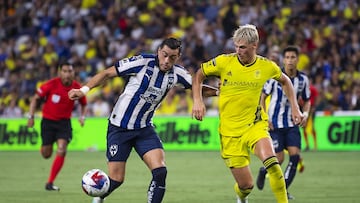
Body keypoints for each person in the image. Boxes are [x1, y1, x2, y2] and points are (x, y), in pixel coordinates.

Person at [68, 37, 217, 203]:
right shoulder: (142, 62)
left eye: (172, 57)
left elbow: (197, 87)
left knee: (160, 172)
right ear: (159, 51)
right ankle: (99, 197)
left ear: (178, 57)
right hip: (119, 128)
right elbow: (107, 73)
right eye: (164, 55)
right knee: (116, 180)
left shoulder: (177, 74)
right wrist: (83, 90)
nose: (167, 61)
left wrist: (219, 92)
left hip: (144, 129)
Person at [192, 24, 304, 203]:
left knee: (273, 164)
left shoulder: (266, 66)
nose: (238, 50)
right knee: (246, 186)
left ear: (254, 45)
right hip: (230, 132)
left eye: (242, 47)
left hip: (255, 125)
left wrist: (295, 108)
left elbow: (286, 82)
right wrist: (198, 101)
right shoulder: (223, 62)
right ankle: (241, 197)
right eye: (236, 46)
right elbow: (199, 75)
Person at [255, 46, 311, 200]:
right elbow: (262, 97)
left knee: (295, 157)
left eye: (293, 57)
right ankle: (263, 171)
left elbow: (307, 101)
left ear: (297, 59)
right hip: (275, 124)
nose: (290, 60)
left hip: (292, 124)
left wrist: (305, 113)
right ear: (283, 59)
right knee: (278, 159)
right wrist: (265, 117)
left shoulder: (303, 80)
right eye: (287, 57)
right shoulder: (275, 76)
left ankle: (283, 189)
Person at [27, 62, 87, 191]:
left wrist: (82, 117)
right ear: (60, 72)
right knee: (46, 154)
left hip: (64, 123)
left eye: (70, 71)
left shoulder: (77, 87)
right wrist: (31, 117)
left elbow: (84, 103)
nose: (67, 74)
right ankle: (45, 147)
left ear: (73, 73)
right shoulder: (51, 84)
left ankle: (50, 182)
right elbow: (35, 99)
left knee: (62, 148)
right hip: (48, 122)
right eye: (64, 71)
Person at [302, 77, 319, 151]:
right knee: (304, 127)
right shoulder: (303, 89)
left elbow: (317, 98)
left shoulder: (312, 89)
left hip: (311, 109)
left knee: (311, 127)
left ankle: (315, 145)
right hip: (305, 110)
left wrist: (314, 106)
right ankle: (307, 145)